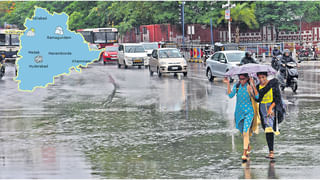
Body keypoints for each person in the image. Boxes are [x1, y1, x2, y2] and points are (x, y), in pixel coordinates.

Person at [224, 74, 259, 162]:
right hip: (239, 112)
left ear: (247, 78)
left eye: (243, 79)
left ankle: (244, 152)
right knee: (242, 131)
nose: (241, 81)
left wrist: (253, 86)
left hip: (249, 112)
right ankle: (247, 145)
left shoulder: (249, 86)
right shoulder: (237, 86)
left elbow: (257, 97)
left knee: (245, 131)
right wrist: (228, 83)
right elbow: (230, 95)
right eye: (240, 79)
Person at [251, 71, 285, 160]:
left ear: (266, 76)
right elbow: (257, 99)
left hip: (272, 108)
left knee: (269, 128)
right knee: (267, 129)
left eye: (263, 77)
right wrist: (253, 87)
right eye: (260, 78)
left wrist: (271, 108)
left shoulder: (273, 84)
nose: (262, 79)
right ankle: (271, 151)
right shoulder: (258, 87)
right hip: (262, 110)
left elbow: (277, 98)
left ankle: (271, 152)